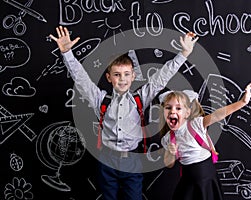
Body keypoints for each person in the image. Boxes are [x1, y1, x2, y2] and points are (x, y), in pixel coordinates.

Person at [49, 26, 198, 200]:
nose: (122, 79)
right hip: (107, 160)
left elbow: (161, 77)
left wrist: (184, 54)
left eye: (127, 74)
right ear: (109, 78)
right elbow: (81, 79)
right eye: (117, 74)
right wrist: (67, 53)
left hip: (132, 160)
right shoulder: (100, 100)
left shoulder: (140, 98)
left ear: (133, 76)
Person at [159, 82, 251, 200]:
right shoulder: (167, 138)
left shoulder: (196, 124)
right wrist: (170, 152)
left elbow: (218, 115)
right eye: (168, 107)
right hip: (188, 180)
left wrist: (242, 102)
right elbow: (169, 164)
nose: (172, 111)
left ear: (187, 113)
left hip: (206, 177)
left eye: (178, 108)